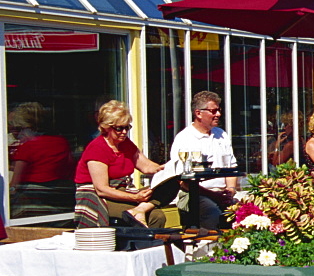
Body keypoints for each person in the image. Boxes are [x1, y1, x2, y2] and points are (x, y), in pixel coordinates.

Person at [75, 100, 171, 228]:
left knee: (171, 184)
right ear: (106, 127)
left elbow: (147, 166)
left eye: (127, 127)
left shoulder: (125, 144)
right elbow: (102, 189)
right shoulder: (97, 148)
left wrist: (169, 169)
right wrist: (136, 197)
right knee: (155, 216)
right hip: (98, 196)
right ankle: (141, 243)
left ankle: (140, 210)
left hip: (125, 190)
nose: (124, 132)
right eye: (119, 128)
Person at [170, 91, 238, 229]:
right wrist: (214, 195)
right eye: (213, 111)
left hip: (223, 193)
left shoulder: (221, 135)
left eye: (219, 110)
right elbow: (183, 180)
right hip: (194, 194)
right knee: (213, 214)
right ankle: (209, 248)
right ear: (198, 113)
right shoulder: (185, 139)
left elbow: (231, 167)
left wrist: (230, 190)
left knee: (250, 212)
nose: (218, 114)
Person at [8, 102, 74, 218]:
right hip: (60, 199)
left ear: (30, 127)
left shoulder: (27, 147)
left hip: (33, 199)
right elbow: (68, 167)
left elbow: (15, 184)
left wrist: (8, 195)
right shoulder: (61, 142)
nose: (18, 135)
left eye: (20, 129)